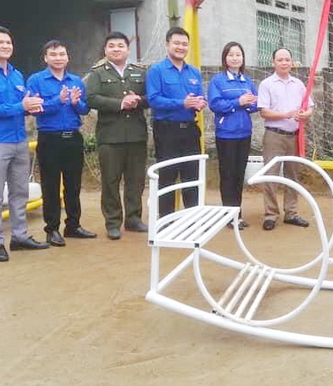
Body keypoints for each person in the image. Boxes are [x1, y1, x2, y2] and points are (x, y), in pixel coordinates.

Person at [0, 25, 49, 261]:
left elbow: (20, 106)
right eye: (0, 42)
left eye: (8, 42)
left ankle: (19, 236)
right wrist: (20, 106)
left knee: (20, 192)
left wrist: (31, 106)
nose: (6, 46)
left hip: (19, 140)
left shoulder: (16, 74)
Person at [26, 40, 96, 246]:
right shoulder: (36, 80)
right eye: (53, 54)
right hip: (50, 138)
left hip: (73, 138)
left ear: (67, 57)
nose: (58, 58)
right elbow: (35, 109)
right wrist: (58, 100)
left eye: (62, 54)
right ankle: (52, 229)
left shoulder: (76, 80)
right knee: (50, 186)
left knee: (73, 185)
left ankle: (73, 225)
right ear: (46, 58)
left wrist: (75, 102)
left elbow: (85, 109)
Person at [85, 32, 148, 240]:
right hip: (110, 136)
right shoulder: (97, 74)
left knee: (136, 181)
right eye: (111, 46)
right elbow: (91, 98)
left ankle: (133, 219)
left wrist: (138, 100)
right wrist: (119, 104)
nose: (116, 49)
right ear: (105, 50)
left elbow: (151, 97)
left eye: (120, 45)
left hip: (136, 135)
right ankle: (113, 222)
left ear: (128, 49)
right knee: (110, 181)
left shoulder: (139, 72)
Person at [146, 27, 206, 218]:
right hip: (167, 130)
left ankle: (192, 218)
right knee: (167, 175)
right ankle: (166, 219)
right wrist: (182, 103)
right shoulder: (157, 70)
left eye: (184, 44)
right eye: (176, 43)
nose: (181, 47)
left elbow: (200, 97)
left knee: (192, 175)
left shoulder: (194, 72)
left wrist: (200, 103)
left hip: (190, 130)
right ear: (167, 45)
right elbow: (153, 99)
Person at [257, 47, 313, 231]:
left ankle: (291, 213)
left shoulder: (299, 84)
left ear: (292, 62)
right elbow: (264, 112)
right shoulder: (266, 84)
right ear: (273, 62)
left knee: (293, 175)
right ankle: (271, 214)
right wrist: (286, 114)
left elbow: (309, 107)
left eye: (287, 59)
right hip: (274, 135)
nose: (284, 63)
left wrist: (305, 115)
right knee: (270, 175)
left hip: (294, 136)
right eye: (280, 60)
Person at [208, 42, 258, 230]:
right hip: (226, 135)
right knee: (228, 175)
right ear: (225, 58)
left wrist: (250, 104)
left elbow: (255, 103)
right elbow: (215, 104)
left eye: (238, 55)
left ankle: (238, 213)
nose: (235, 58)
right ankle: (229, 216)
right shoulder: (218, 80)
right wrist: (238, 101)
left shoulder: (246, 81)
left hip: (244, 133)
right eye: (231, 55)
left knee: (239, 175)